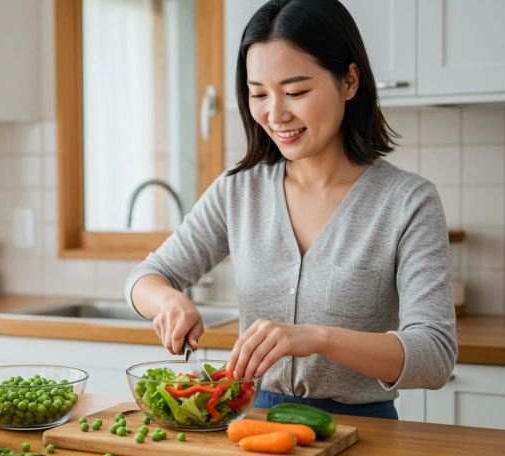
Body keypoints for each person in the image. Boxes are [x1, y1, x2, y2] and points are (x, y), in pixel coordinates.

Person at [124, 0, 457, 420]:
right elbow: (145, 278)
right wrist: (170, 302)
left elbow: (435, 355)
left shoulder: (408, 202)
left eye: (296, 92)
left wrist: (317, 338)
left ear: (349, 81)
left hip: (364, 432)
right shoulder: (238, 191)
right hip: (252, 423)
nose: (275, 113)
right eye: (258, 93)